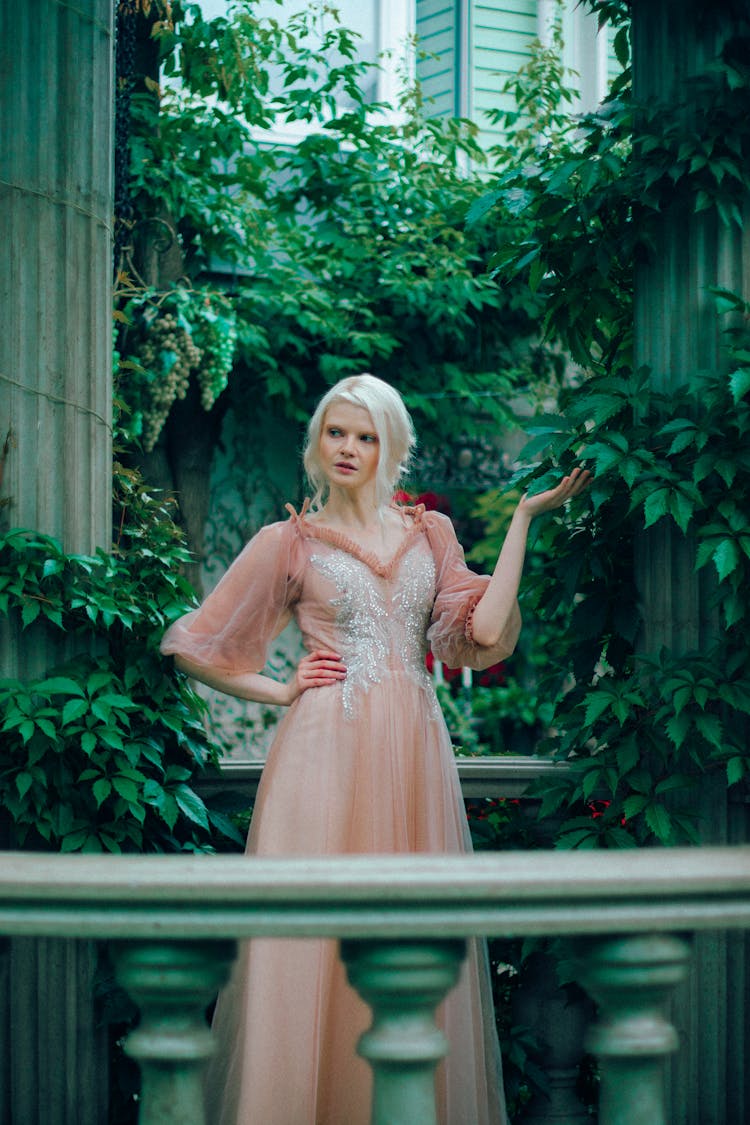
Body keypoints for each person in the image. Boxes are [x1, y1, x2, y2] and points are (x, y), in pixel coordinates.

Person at [161, 373, 591, 1125]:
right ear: (316, 442)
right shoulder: (286, 542)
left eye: (365, 435)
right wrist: (280, 688)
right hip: (322, 755)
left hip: (415, 761)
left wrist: (524, 518)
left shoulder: (432, 535)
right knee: (310, 943)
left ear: (392, 445)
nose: (348, 448)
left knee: (412, 939)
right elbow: (196, 646)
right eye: (336, 432)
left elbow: (484, 633)